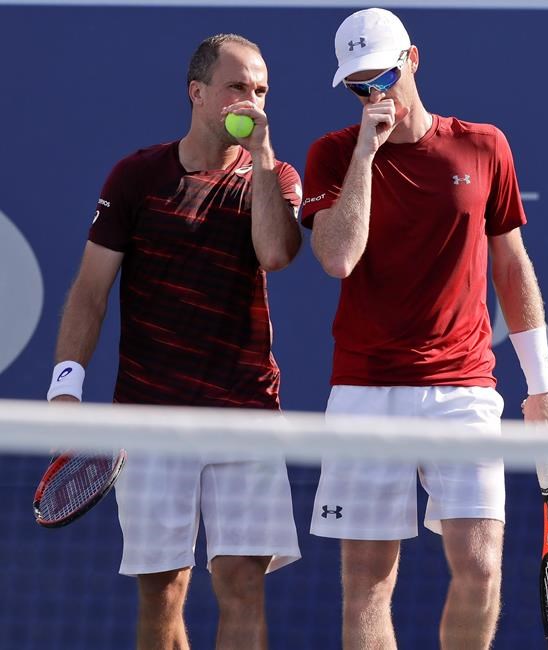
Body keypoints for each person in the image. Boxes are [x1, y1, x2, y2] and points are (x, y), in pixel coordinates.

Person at [301, 8, 548, 650]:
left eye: (384, 76)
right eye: (359, 85)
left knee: (480, 569)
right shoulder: (333, 153)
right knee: (367, 581)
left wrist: (541, 382)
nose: (374, 94)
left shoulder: (485, 145)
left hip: (464, 390)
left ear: (413, 59)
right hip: (364, 390)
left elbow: (510, 262)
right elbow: (337, 258)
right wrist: (365, 150)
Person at [47, 34, 302, 650]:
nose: (252, 100)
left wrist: (263, 156)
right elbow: (89, 290)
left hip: (243, 414)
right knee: (163, 589)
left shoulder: (277, 176)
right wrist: (66, 391)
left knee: (242, 582)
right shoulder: (136, 178)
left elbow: (275, 253)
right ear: (198, 93)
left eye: (262, 90)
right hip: (150, 416)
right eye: (238, 87)